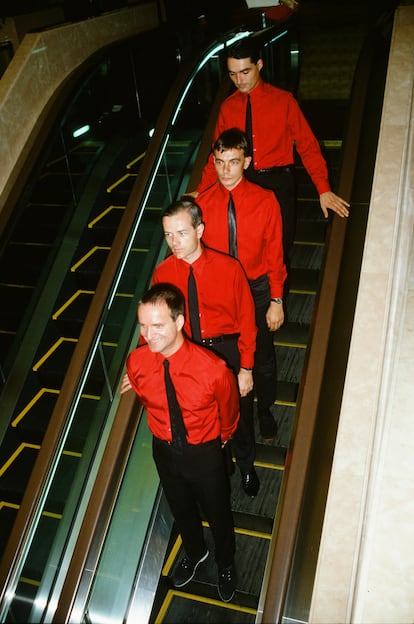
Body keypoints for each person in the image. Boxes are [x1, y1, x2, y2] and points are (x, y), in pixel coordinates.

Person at [121, 283, 239, 602]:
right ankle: (195, 549)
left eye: (158, 325)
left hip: (205, 452)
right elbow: (147, 396)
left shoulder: (213, 370)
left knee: (218, 511)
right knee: (180, 507)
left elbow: (229, 412)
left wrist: (222, 439)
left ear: (179, 322)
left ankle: (225, 562)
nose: (148, 334)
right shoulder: (137, 362)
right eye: (143, 325)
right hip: (164, 449)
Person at [194, 38, 350, 277]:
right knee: (241, 252)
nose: (239, 80)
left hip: (278, 185)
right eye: (233, 74)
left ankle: (275, 303)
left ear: (260, 65)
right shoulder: (228, 107)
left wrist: (323, 188)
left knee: (277, 251)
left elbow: (308, 146)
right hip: (241, 184)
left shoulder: (283, 101)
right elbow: (216, 155)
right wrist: (202, 190)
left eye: (245, 72)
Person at [153, 199, 259, 497]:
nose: (174, 241)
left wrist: (247, 368)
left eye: (181, 233)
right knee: (204, 418)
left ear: (199, 229)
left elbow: (247, 321)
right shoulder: (163, 273)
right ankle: (221, 464)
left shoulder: (229, 268)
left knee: (239, 414)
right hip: (188, 355)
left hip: (227, 350)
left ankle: (247, 463)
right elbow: (156, 323)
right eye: (168, 235)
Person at [196, 127, 287, 440]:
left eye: (233, 162)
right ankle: (235, 420)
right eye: (220, 162)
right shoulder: (203, 204)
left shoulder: (266, 201)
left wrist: (277, 300)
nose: (225, 170)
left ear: (246, 162)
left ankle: (265, 410)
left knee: (262, 356)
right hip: (221, 294)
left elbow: (275, 253)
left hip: (257, 288)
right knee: (229, 358)